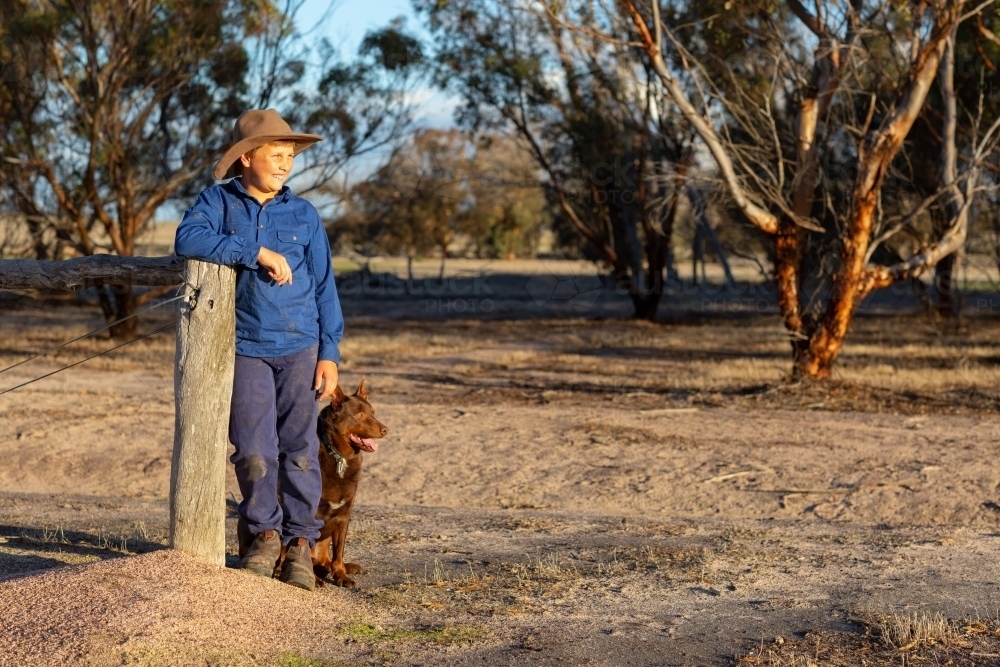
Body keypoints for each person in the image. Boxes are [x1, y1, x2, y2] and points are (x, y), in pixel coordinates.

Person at [174, 108, 342, 591]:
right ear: (246, 157)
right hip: (245, 347)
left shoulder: (304, 214)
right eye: (276, 154)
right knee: (252, 448)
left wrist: (329, 352)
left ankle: (300, 545)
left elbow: (326, 287)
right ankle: (264, 534)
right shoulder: (218, 203)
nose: (286, 164)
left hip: (301, 348)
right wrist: (256, 251)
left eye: (290, 155)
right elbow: (188, 238)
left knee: (301, 449)